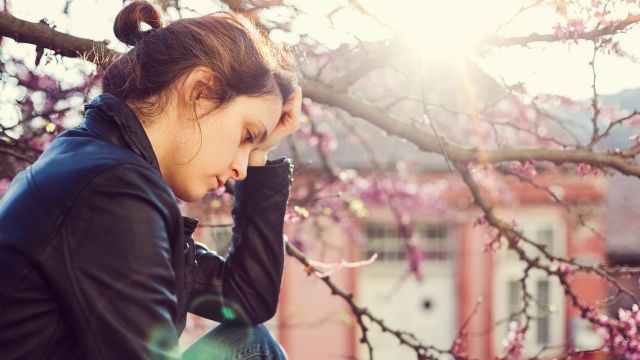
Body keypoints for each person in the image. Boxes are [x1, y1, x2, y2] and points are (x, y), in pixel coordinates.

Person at [0, 1, 301, 359]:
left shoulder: (94, 162)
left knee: (253, 342)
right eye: (246, 135)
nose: (242, 170)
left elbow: (247, 300)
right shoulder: (112, 190)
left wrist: (263, 148)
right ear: (200, 90)